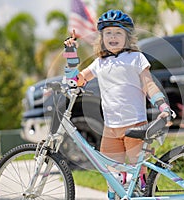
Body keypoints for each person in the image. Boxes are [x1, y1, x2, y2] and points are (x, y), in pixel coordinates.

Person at [64, 9, 176, 199]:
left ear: (127, 37)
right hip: (111, 129)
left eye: (118, 32)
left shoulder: (136, 58)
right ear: (102, 37)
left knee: (139, 180)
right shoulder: (100, 62)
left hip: (135, 125)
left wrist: (163, 106)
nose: (113, 37)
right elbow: (78, 80)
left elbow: (148, 84)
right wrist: (70, 54)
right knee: (114, 180)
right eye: (108, 33)